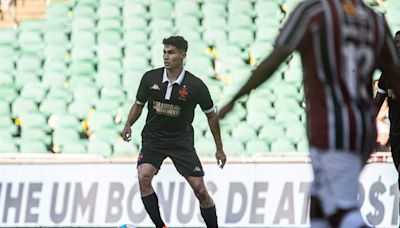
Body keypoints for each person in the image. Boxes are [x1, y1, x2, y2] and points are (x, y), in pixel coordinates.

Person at [218, 1, 400, 228]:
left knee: (342, 212)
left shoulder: (313, 12)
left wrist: (234, 99)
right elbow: (395, 76)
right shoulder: (375, 20)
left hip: (331, 129)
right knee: (318, 205)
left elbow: (275, 58)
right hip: (362, 129)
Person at [121, 36, 226, 228]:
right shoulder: (150, 78)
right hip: (153, 139)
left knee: (201, 191)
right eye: (164, 52)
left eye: (171, 53)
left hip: (181, 142)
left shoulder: (196, 86)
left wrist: (219, 148)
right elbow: (138, 105)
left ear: (183, 55)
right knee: (144, 176)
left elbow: (211, 116)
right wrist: (128, 124)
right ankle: (161, 226)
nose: (166, 57)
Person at [375, 31, 400, 189]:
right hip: (396, 134)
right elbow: (377, 103)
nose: (398, 46)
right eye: (396, 42)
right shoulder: (387, 75)